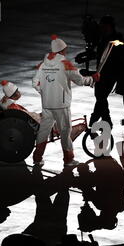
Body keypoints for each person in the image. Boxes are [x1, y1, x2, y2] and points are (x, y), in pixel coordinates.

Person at [32, 34, 100, 167]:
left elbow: (35, 82)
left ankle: (37, 158)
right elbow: (80, 80)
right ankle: (68, 160)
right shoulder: (65, 64)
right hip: (61, 105)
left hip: (47, 104)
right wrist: (93, 79)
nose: (66, 52)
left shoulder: (43, 64)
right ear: (61, 50)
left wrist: (45, 92)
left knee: (44, 131)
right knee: (65, 131)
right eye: (65, 49)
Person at [89, 15, 123, 129]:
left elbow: (119, 57)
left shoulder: (117, 39)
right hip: (100, 73)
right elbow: (100, 54)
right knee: (99, 96)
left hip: (111, 74)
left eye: (104, 26)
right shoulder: (102, 38)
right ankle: (104, 121)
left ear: (110, 26)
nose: (102, 28)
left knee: (101, 97)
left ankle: (99, 120)